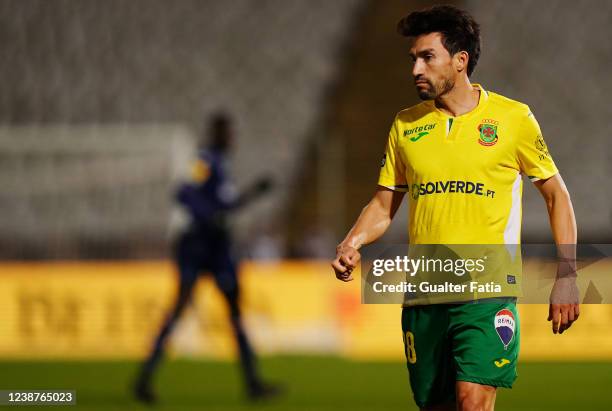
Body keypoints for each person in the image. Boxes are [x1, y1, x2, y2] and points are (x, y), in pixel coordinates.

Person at [331, 5, 579, 411]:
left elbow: (557, 196)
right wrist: (352, 241)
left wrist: (567, 276)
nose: (416, 69)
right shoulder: (406, 125)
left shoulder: (512, 119)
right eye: (413, 59)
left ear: (460, 60)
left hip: (487, 295)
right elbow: (383, 203)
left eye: (427, 57)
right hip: (425, 294)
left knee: (472, 401)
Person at [134, 112, 280, 403]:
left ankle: (252, 383)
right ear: (216, 133)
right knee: (180, 308)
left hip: (218, 248)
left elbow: (225, 208)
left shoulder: (224, 166)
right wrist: (207, 216)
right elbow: (183, 193)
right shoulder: (204, 160)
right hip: (197, 246)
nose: (232, 137)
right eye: (227, 132)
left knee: (235, 311)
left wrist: (253, 193)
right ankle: (144, 378)